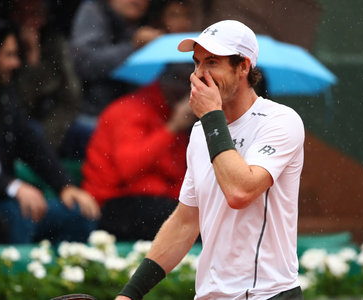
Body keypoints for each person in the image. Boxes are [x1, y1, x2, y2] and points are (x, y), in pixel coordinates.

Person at [115, 20, 305, 299]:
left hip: (267, 295)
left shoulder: (281, 120)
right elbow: (186, 221)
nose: (199, 74)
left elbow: (240, 191)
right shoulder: (201, 131)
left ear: (243, 67)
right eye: (197, 63)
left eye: (212, 62)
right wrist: (129, 294)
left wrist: (211, 117)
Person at [0, 12, 100, 244]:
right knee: (18, 214)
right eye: (8, 55)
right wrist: (14, 187)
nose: (15, 63)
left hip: (5, 198)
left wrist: (65, 186)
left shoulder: (3, 99)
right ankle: (20, 280)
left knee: (79, 213)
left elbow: (33, 146)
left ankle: (67, 277)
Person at [82, 63, 196, 241]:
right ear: (165, 80)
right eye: (182, 81)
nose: (188, 90)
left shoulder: (176, 115)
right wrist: (173, 127)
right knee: (184, 222)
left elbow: (180, 175)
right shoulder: (130, 109)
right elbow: (129, 167)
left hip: (156, 201)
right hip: (114, 203)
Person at [64, 0, 163, 158]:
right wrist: (133, 47)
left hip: (134, 116)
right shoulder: (94, 10)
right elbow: (86, 64)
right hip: (90, 116)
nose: (139, 2)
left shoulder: (147, 20)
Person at [9, 0, 83, 154]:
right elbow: (20, 104)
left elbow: (71, 98)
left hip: (52, 121)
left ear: (45, 17)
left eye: (35, 14)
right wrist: (32, 57)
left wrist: (49, 136)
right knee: (33, 133)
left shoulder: (55, 43)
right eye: (21, 13)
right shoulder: (4, 46)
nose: (28, 21)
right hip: (17, 123)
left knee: (92, 131)